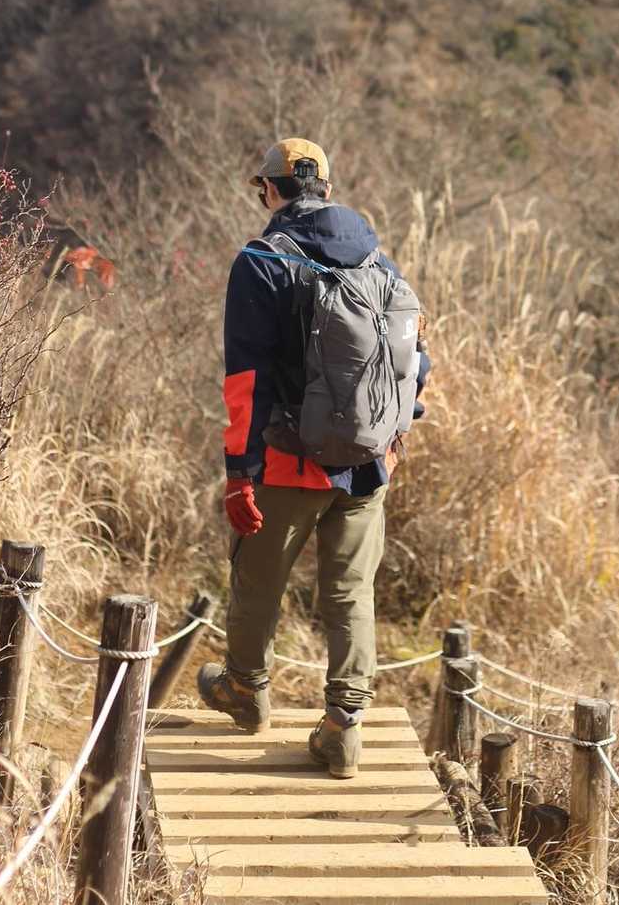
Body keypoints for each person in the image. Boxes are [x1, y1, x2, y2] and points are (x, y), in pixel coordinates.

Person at [197, 138, 429, 779]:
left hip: (289, 460)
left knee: (258, 579)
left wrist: (239, 473)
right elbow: (415, 361)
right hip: (368, 463)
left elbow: (245, 382)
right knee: (351, 592)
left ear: (270, 190)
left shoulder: (261, 262)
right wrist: (390, 435)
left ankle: (246, 692)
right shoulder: (378, 260)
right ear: (326, 188)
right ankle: (343, 728)